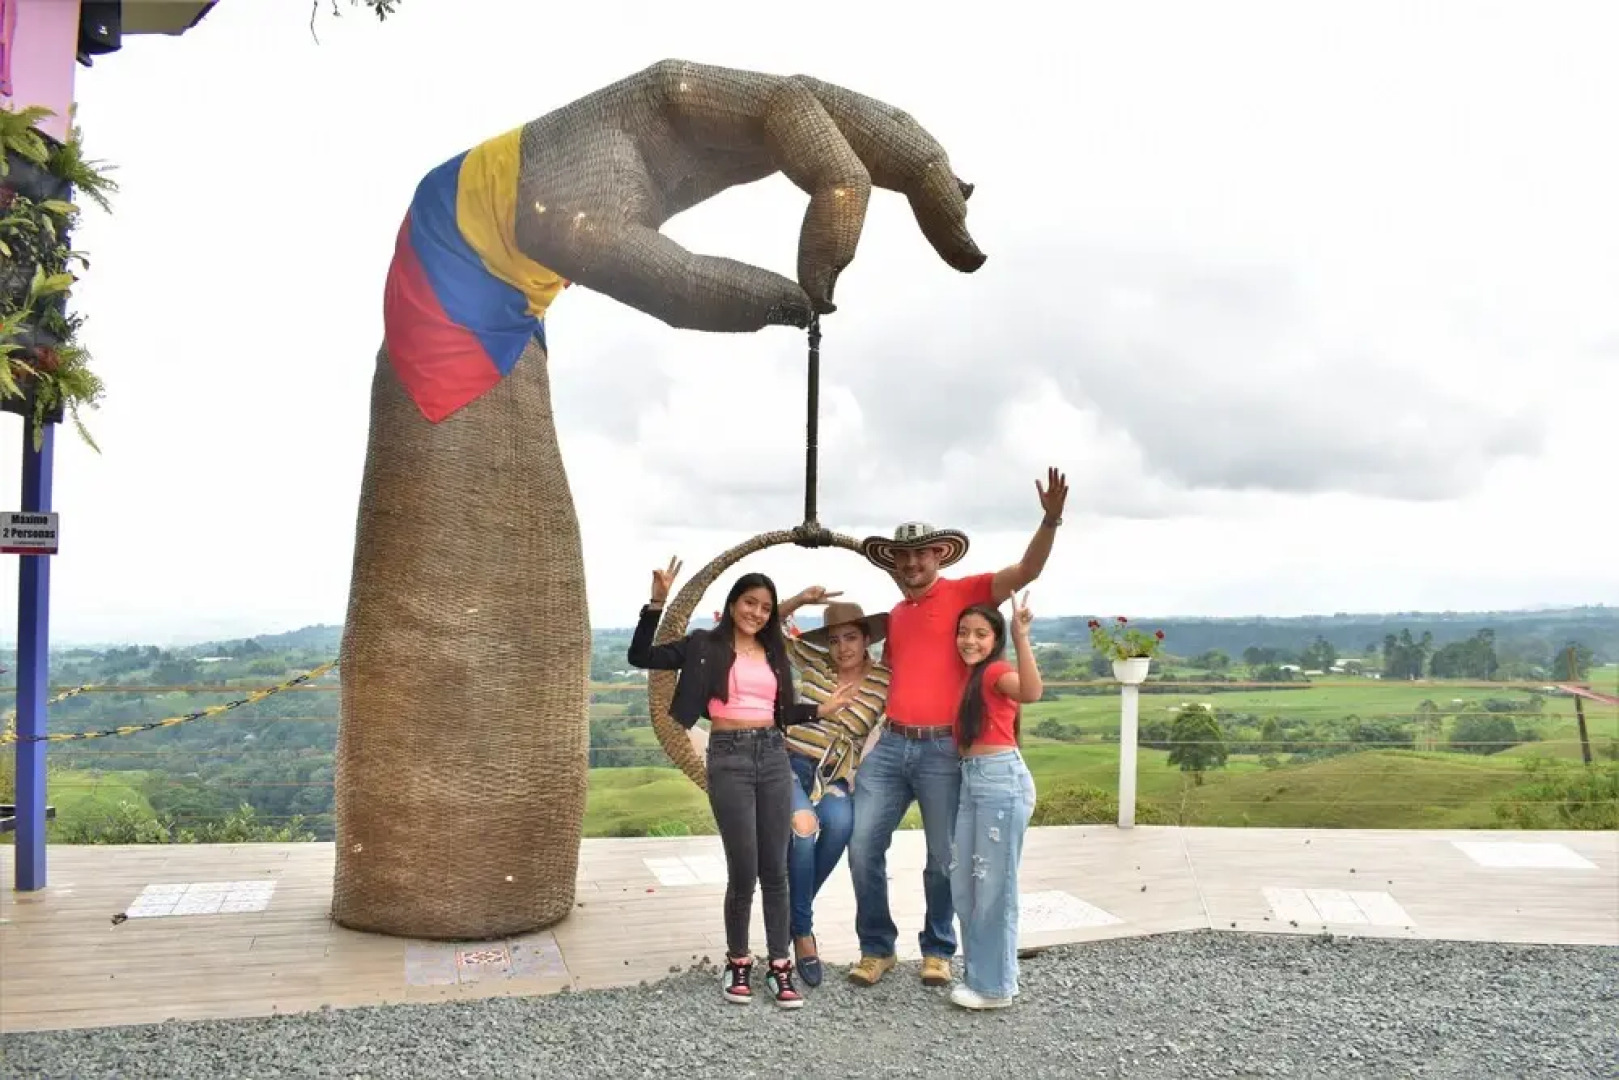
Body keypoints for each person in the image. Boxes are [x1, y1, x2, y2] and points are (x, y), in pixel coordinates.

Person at [845, 466, 1068, 989]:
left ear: (939, 556)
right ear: (894, 565)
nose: (912, 562)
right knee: (860, 846)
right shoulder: (896, 615)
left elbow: (1027, 570)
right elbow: (887, 677)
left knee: (942, 859)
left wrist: (1051, 519)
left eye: (921, 553)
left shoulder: (968, 593)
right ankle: (876, 947)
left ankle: (937, 948)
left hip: (945, 751)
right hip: (891, 744)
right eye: (903, 556)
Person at [628, 558, 856, 1009]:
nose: (756, 612)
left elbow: (781, 714)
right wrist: (657, 602)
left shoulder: (773, 654)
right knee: (744, 869)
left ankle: (779, 966)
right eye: (749, 603)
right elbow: (642, 656)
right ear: (733, 605)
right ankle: (738, 961)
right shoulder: (703, 645)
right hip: (729, 758)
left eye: (766, 607)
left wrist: (820, 711)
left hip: (773, 755)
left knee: (776, 868)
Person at [773, 589, 893, 987]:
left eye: (851, 637)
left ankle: (790, 911)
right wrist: (800, 600)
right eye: (835, 638)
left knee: (841, 827)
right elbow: (767, 629)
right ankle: (803, 934)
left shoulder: (883, 681)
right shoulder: (815, 663)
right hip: (790, 764)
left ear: (866, 639)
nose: (842, 647)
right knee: (804, 830)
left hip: (836, 777)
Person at [949, 594, 1042, 1010]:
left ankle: (995, 989)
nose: (969, 640)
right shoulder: (971, 678)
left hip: (1001, 782)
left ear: (996, 638)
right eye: (964, 633)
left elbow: (1031, 692)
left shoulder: (996, 672)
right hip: (975, 781)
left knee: (994, 888)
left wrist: (1022, 636)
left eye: (980, 634)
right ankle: (986, 976)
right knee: (967, 885)